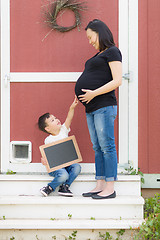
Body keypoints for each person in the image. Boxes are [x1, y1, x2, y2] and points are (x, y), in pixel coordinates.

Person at [75, 19, 122, 199]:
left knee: (107, 146)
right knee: (97, 147)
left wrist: (93, 93)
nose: (90, 41)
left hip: (103, 106)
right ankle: (100, 184)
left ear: (100, 32)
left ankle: (110, 187)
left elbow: (117, 80)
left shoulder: (113, 51)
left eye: (90, 37)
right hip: (92, 107)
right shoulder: (98, 55)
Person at [38, 96, 81, 197]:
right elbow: (48, 157)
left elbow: (69, 118)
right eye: (52, 120)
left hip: (67, 164)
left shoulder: (63, 130)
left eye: (55, 118)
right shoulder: (48, 140)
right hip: (56, 168)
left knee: (77, 167)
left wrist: (72, 108)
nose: (56, 120)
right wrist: (45, 162)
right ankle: (49, 187)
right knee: (64, 175)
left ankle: (65, 187)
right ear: (47, 128)